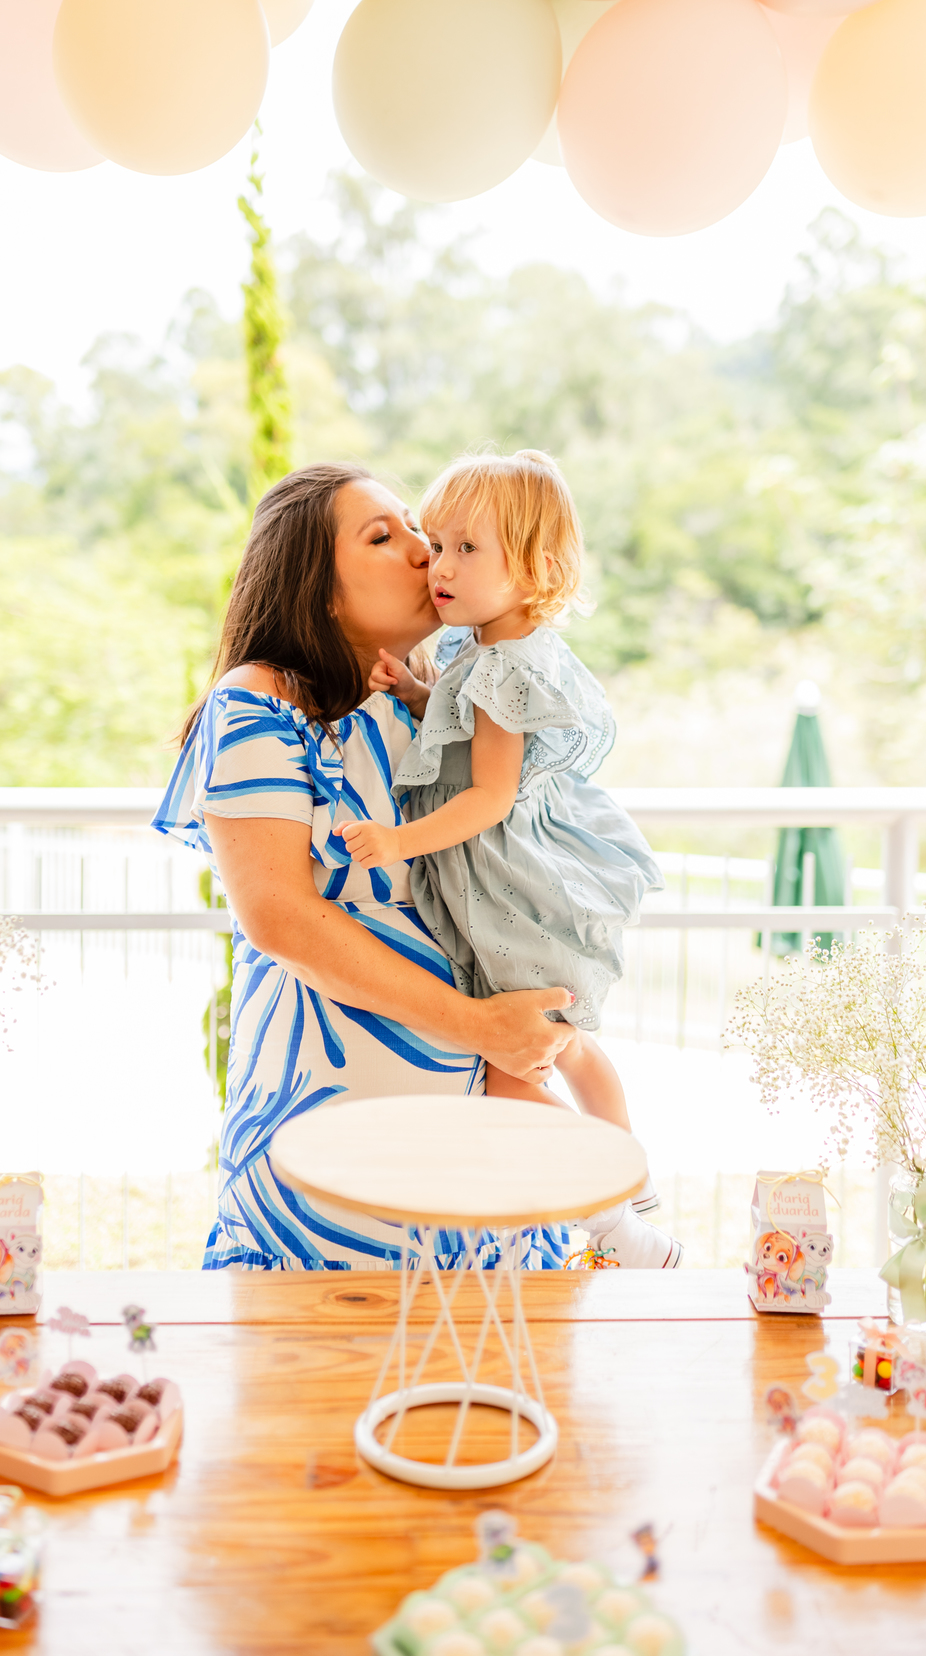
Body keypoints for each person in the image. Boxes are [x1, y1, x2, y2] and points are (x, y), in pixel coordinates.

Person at [152, 462, 582, 1272]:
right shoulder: (257, 703)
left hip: (470, 1116)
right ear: (318, 589)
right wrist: (480, 1025)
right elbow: (281, 918)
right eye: (383, 537)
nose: (424, 551)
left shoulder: (426, 698)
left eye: (419, 529)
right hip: (332, 1122)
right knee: (320, 1338)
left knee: (498, 1337)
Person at [339, 449, 681, 1268]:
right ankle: (631, 1184)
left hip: (510, 886)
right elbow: (471, 731)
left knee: (515, 1073)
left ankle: (614, 1218)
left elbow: (489, 794)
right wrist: (420, 695)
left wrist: (399, 841)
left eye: (467, 549)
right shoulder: (495, 650)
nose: (440, 567)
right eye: (438, 544)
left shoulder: (503, 668)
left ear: (536, 572)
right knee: (570, 1044)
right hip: (517, 878)